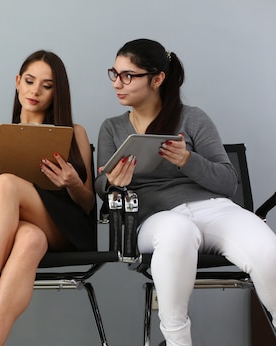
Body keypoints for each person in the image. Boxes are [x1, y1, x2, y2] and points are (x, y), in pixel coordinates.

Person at [95, 38, 276, 345]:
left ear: (157, 78)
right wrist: (114, 182)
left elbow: (227, 181)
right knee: (177, 230)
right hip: (156, 218)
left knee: (267, 250)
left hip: (214, 209)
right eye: (114, 73)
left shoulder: (192, 118)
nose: (117, 83)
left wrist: (188, 160)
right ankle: (179, 341)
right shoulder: (112, 128)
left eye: (128, 75)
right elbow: (102, 185)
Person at [0, 50, 95, 346]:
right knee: (29, 239)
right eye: (29, 81)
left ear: (57, 93)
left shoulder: (75, 133)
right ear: (17, 82)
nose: (35, 91)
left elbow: (88, 204)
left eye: (47, 86)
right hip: (19, 228)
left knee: (7, 183)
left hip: (67, 229)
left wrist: (73, 182)